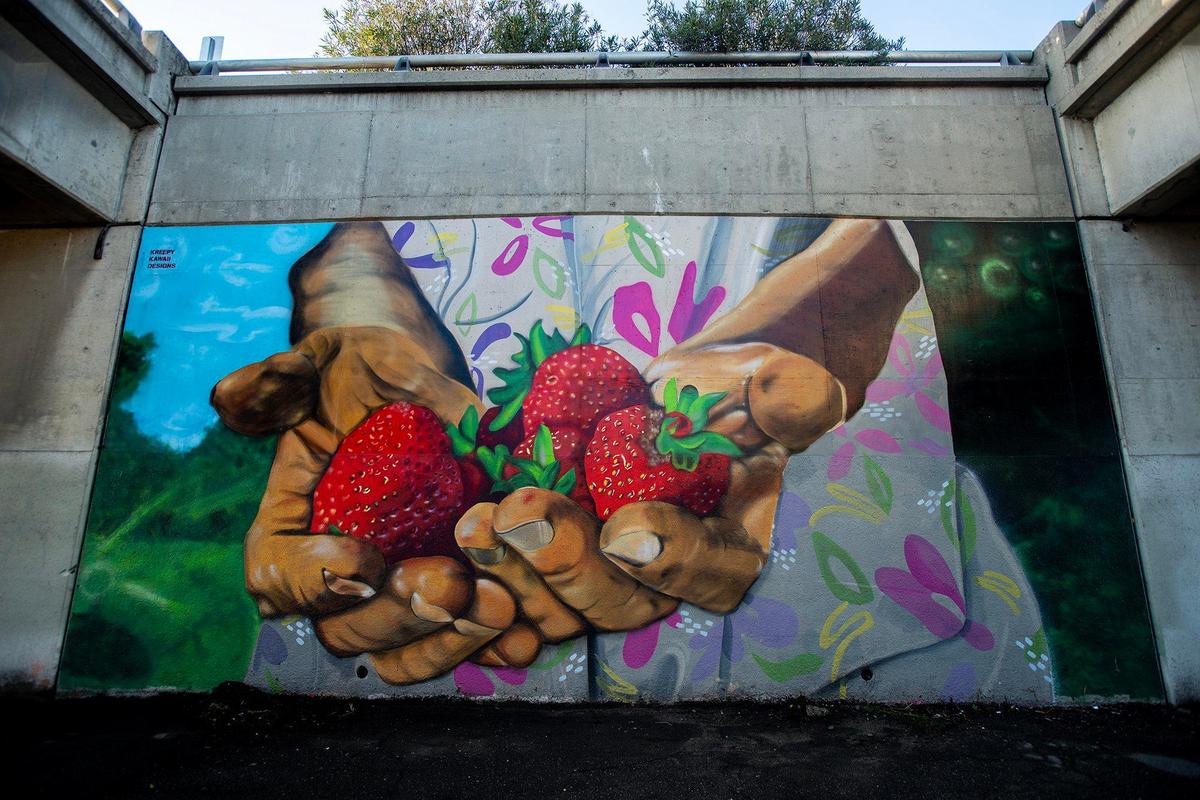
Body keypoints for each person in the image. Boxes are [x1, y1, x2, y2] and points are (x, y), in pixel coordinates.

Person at [214, 216, 1053, 702]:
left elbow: (939, 194)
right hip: (419, 562)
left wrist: (819, 316)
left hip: (856, 585)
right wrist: (362, 305)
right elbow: (350, 232)